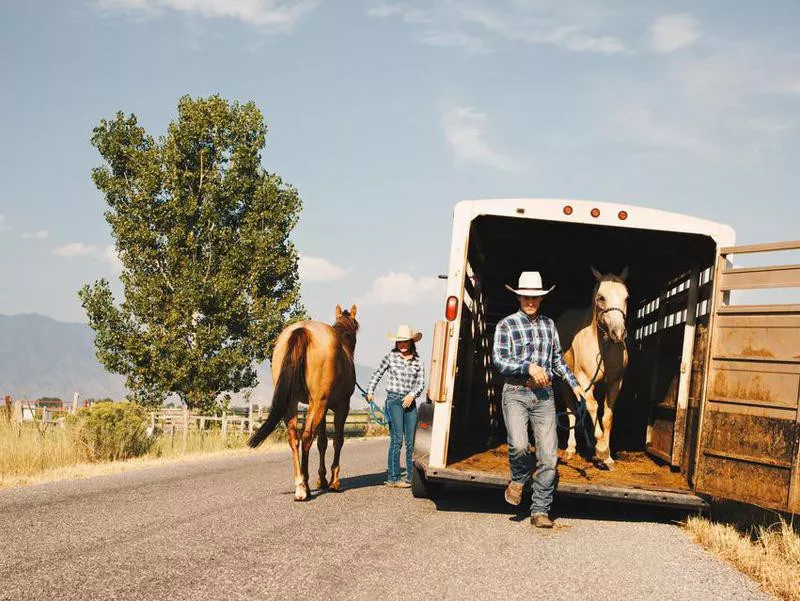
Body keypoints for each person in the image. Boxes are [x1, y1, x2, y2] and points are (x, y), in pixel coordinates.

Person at [492, 271, 584, 528]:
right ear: (519, 296)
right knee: (520, 445)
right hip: (516, 393)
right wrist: (528, 367)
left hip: (544, 396)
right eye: (526, 297)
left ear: (541, 299)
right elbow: (499, 360)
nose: (530, 301)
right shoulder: (506, 326)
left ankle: (540, 510)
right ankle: (520, 477)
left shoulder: (549, 325)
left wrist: (574, 384)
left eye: (535, 297)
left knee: (548, 455)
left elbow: (557, 360)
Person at [366, 325, 426, 488]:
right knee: (397, 439)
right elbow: (377, 373)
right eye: (400, 342)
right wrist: (370, 390)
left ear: (411, 342)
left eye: (405, 341)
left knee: (411, 442)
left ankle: (411, 477)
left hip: (410, 402)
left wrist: (412, 395)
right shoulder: (390, 357)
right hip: (393, 401)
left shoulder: (418, 361)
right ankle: (393, 477)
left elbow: (420, 382)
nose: (402, 345)